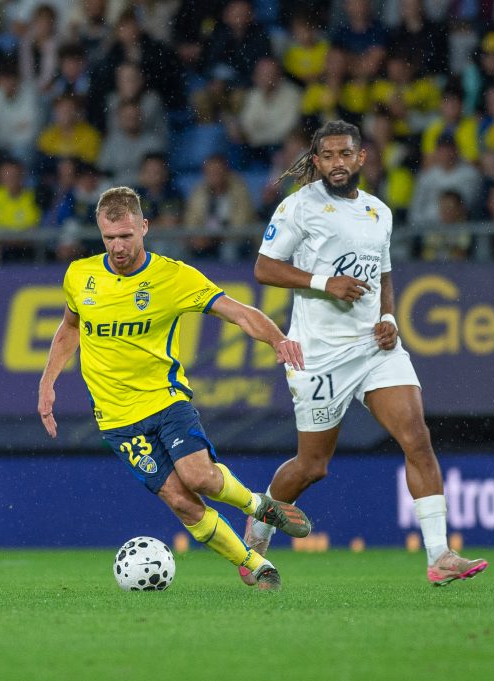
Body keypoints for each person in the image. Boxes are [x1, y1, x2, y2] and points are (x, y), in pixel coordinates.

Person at [245, 120, 488, 586]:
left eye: (345, 154)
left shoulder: (379, 211)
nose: (337, 163)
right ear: (316, 161)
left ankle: (439, 555)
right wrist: (324, 283)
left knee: (417, 438)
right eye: (328, 156)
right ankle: (260, 520)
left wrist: (389, 318)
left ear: (361, 158)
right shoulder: (299, 207)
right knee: (312, 466)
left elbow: (384, 275)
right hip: (319, 356)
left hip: (374, 349)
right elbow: (263, 268)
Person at [37, 186, 312, 591]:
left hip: (166, 401)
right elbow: (69, 328)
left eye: (126, 236)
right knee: (183, 502)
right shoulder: (80, 276)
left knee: (199, 478)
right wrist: (47, 383)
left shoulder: (173, 276)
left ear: (144, 227)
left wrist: (277, 339)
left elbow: (237, 312)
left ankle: (259, 507)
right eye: (109, 237)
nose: (117, 246)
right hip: (116, 420)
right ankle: (254, 564)